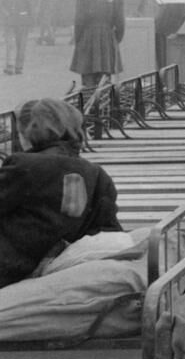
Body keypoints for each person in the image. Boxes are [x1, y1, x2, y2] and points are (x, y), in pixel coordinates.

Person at [0, 98, 122, 287]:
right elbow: (108, 229)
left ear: (30, 132)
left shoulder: (23, 165)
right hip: (58, 267)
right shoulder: (97, 174)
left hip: (11, 269)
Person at [69, 0, 125, 90]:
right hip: (107, 39)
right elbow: (120, 23)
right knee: (105, 78)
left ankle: (89, 97)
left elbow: (79, 21)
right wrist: (115, 39)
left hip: (87, 38)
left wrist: (78, 40)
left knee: (87, 75)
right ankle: (103, 98)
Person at [2, 0, 35, 75]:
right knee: (10, 44)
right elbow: (1, 5)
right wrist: (5, 12)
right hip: (10, 22)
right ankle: (10, 66)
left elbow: (31, 9)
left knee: (21, 46)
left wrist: (31, 23)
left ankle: (19, 67)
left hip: (22, 23)